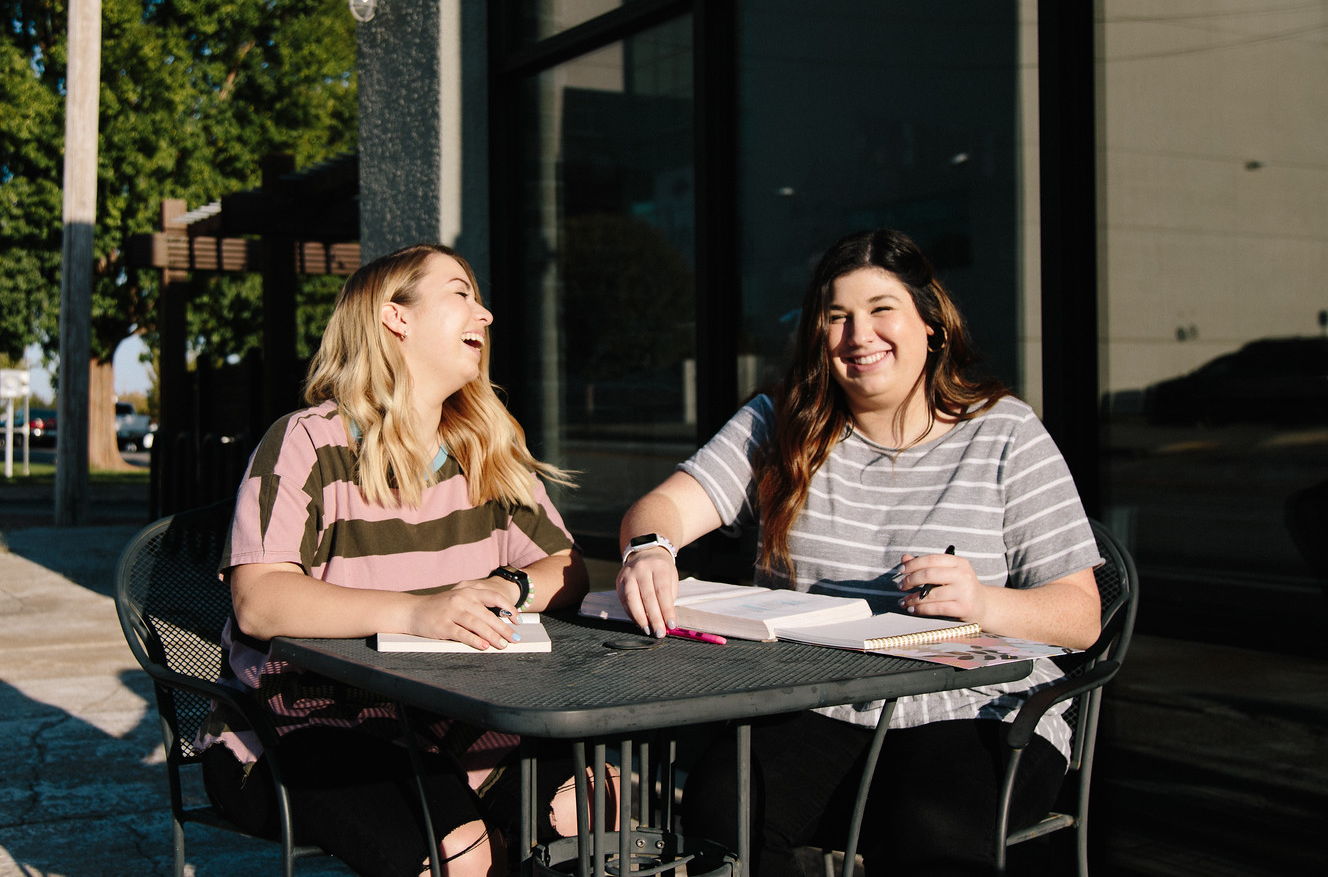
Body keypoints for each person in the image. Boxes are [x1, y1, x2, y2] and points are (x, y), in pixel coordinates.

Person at [616, 228, 1102, 877]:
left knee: (928, 827)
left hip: (973, 706)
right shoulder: (780, 422)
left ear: (931, 324)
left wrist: (984, 602)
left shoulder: (1006, 431)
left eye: (881, 309)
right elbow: (663, 509)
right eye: (837, 315)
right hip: (816, 699)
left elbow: (1081, 616)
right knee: (722, 811)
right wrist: (650, 549)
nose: (858, 334)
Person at [197, 243, 595, 877]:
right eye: (461, 294)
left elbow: (566, 567)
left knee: (593, 810)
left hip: (454, 715)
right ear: (395, 316)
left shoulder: (482, 451)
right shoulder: (307, 441)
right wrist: (419, 613)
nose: (486, 314)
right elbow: (259, 600)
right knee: (461, 855)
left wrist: (507, 588)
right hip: (301, 723)